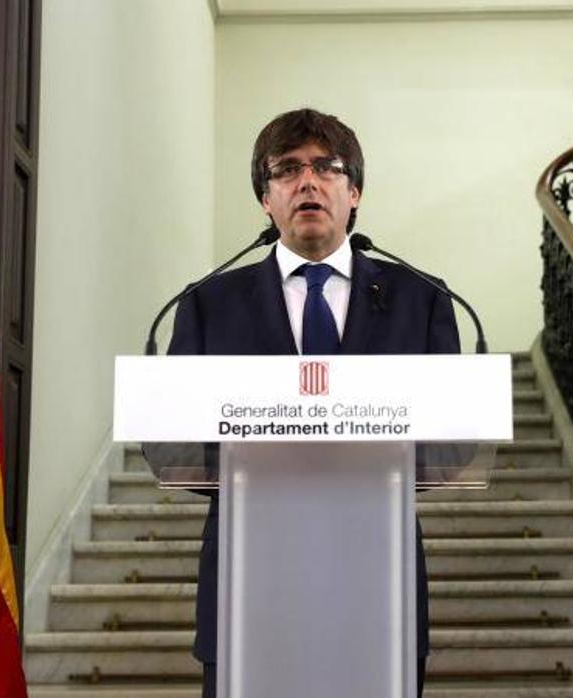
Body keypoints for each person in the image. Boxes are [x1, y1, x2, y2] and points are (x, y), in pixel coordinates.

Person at [167, 108, 458, 698]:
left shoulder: (421, 300)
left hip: (378, 583)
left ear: (354, 193)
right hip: (249, 585)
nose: (308, 181)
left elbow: (451, 443)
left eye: (327, 167)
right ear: (265, 199)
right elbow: (172, 442)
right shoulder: (208, 304)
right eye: (287, 169)